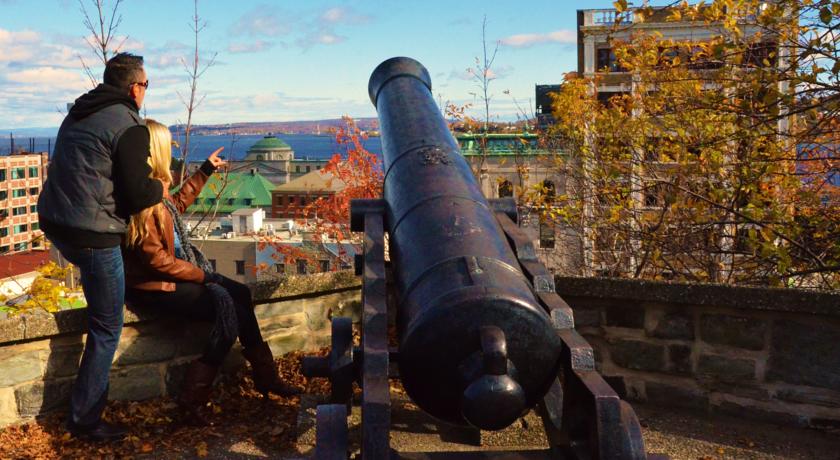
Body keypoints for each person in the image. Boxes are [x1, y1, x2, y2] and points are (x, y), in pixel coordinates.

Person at [123, 120, 302, 425]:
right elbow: (157, 262)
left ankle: (265, 376)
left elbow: (176, 206)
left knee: (242, 294)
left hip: (177, 273)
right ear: (158, 150)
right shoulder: (140, 195)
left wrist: (204, 171)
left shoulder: (156, 187)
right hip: (157, 286)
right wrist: (204, 276)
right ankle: (193, 400)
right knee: (229, 311)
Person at [38, 53, 164, 442]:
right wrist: (163, 183)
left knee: (100, 312)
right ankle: (85, 419)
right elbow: (139, 193)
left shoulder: (77, 113)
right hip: (92, 235)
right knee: (107, 326)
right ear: (134, 87)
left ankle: (84, 411)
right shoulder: (129, 125)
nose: (146, 92)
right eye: (146, 85)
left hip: (56, 223)